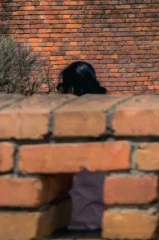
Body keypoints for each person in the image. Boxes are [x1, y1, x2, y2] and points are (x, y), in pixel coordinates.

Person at [58, 62, 108, 231]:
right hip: (110, 217)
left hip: (80, 218)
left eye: (62, 88)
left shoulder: (72, 124)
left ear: (72, 89)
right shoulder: (108, 115)